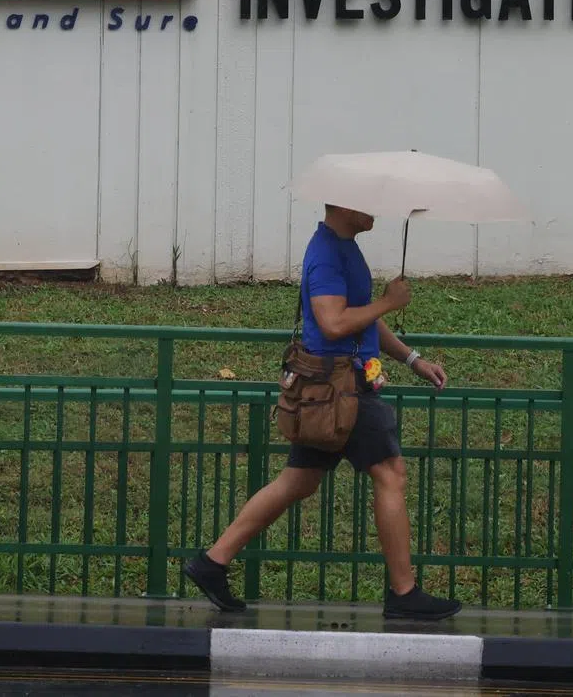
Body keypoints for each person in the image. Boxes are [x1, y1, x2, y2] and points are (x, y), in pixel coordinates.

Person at [184, 204, 461, 621]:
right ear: (342, 205)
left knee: (298, 480)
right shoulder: (327, 253)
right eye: (366, 204)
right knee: (390, 473)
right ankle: (404, 592)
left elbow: (359, 318)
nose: (375, 212)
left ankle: (213, 561)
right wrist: (388, 302)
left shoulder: (343, 248)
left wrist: (412, 359)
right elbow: (333, 322)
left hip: (332, 391)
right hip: (344, 390)